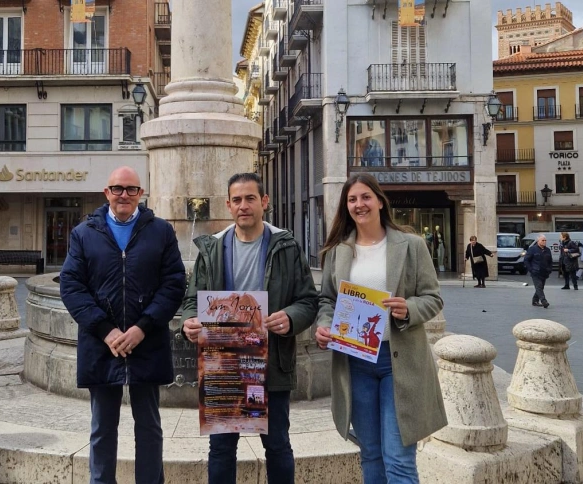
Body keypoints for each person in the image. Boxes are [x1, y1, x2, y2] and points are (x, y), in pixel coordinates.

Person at [180, 172, 318, 484]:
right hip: (224, 363)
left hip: (270, 363)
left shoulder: (286, 246)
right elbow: (192, 300)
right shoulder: (212, 250)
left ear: (264, 202)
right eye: (238, 200)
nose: (244, 206)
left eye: (251, 198)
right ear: (228, 205)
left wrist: (291, 317)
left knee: (278, 445)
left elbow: (309, 300)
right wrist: (189, 321)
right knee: (221, 448)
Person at [314, 174, 446, 483]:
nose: (359, 204)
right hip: (356, 362)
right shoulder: (338, 251)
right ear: (346, 207)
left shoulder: (410, 245)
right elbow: (326, 300)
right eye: (352, 200)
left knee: (398, 458)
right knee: (370, 453)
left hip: (398, 362)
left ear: (379, 201)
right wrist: (323, 325)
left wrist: (408, 308)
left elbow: (433, 297)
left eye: (365, 197)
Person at [60, 166, 185, 484]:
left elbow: (173, 284)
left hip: (147, 341)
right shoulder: (84, 234)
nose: (124, 195)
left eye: (131, 190)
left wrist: (143, 326)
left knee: (149, 426)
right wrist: (107, 330)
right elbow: (72, 285)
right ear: (107, 193)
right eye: (117, 189)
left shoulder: (161, 231)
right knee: (102, 427)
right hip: (102, 345)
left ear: (141, 194)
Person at [524, 234, 553, 308]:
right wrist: (531, 269)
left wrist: (549, 269)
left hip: (544, 272)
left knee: (540, 287)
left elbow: (550, 261)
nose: (544, 242)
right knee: (539, 286)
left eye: (545, 240)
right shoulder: (532, 249)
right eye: (542, 240)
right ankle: (544, 301)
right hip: (535, 272)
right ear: (538, 241)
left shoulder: (547, 250)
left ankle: (535, 301)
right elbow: (526, 260)